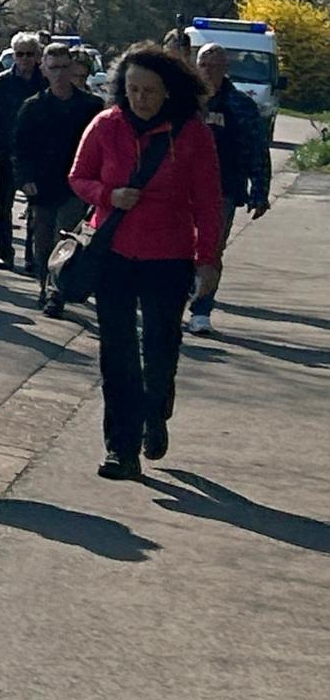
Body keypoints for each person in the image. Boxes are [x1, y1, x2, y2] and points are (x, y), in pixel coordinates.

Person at [70, 43, 223, 481]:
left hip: (169, 255)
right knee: (117, 351)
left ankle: (155, 411)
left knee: (159, 347)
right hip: (114, 252)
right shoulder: (106, 124)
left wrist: (208, 260)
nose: (140, 98)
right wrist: (108, 195)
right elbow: (78, 177)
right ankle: (121, 447)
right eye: (133, 89)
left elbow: (208, 201)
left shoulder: (192, 134)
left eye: (150, 90)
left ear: (169, 91)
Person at [186, 42, 273, 335]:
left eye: (215, 66)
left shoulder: (240, 106)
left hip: (222, 190)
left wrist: (260, 191)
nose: (208, 71)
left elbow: (257, 149)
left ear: (225, 69)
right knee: (177, 247)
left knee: (211, 250)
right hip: (180, 188)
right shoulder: (183, 102)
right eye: (203, 65)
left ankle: (201, 310)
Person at [15, 43, 104, 313]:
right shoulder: (32, 106)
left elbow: (101, 148)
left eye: (64, 67)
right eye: (53, 68)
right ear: (43, 69)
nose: (59, 73)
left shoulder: (90, 106)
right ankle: (45, 285)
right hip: (42, 185)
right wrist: (24, 178)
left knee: (65, 238)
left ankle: (56, 293)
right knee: (42, 242)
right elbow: (20, 148)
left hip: (76, 185)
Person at [0, 31, 47, 271]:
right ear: (13, 55)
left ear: (37, 56)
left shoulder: (46, 83)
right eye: (20, 54)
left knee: (36, 208)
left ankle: (32, 257)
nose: (25, 59)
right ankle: (5, 254)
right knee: (2, 207)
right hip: (5, 152)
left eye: (30, 54)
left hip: (37, 154)